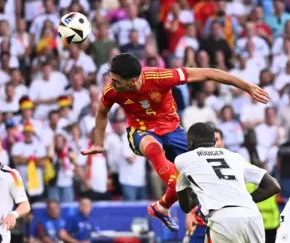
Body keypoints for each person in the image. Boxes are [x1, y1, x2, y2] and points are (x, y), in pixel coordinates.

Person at [81, 52, 270, 231]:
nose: (111, 83)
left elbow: (210, 73)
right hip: (140, 130)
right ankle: (189, 200)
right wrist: (99, 143)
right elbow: (102, 113)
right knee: (155, 150)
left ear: (132, 81)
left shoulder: (161, 77)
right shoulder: (111, 91)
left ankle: (162, 207)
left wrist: (248, 87)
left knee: (198, 169)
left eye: (116, 80)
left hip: (172, 129)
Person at [175, 122, 281, 243]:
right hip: (252, 217)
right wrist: (243, 201)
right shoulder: (235, 157)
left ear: (190, 143)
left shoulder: (183, 159)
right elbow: (273, 186)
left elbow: (186, 206)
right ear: (214, 141)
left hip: (222, 221)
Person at [184, 128, 225, 243]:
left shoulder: (232, 163)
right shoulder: (198, 164)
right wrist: (189, 214)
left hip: (223, 225)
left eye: (216, 140)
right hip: (200, 224)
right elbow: (189, 191)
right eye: (212, 140)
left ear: (222, 143)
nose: (214, 143)